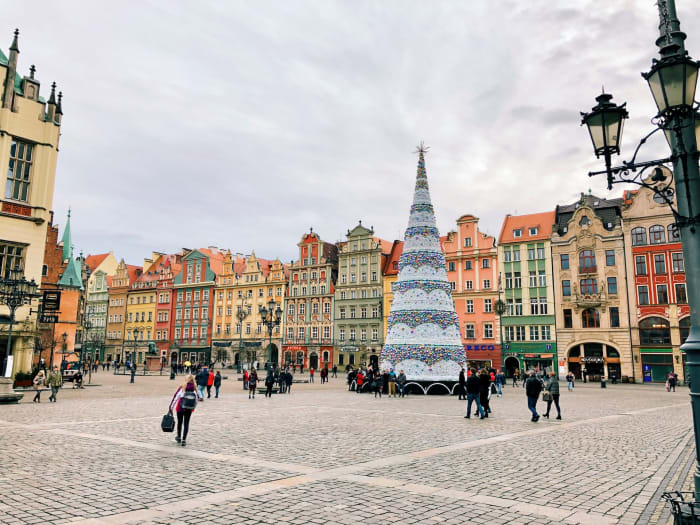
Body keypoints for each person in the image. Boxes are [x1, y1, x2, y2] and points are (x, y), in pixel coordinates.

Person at [169, 374, 203, 447]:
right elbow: (196, 400)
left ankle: (179, 437)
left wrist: (171, 407)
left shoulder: (182, 387)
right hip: (189, 408)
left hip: (180, 407)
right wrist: (193, 407)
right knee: (186, 423)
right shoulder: (194, 388)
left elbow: (175, 397)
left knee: (180, 422)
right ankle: (184, 439)